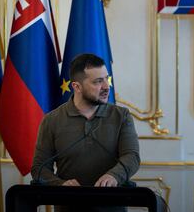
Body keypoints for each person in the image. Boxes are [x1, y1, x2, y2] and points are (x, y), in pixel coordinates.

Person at [31, 53, 140, 211]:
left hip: (111, 206)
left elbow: (132, 157)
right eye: (98, 81)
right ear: (77, 87)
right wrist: (60, 184)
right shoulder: (51, 120)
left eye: (106, 79)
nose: (106, 87)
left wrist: (114, 176)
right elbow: (39, 168)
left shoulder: (121, 116)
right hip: (68, 207)